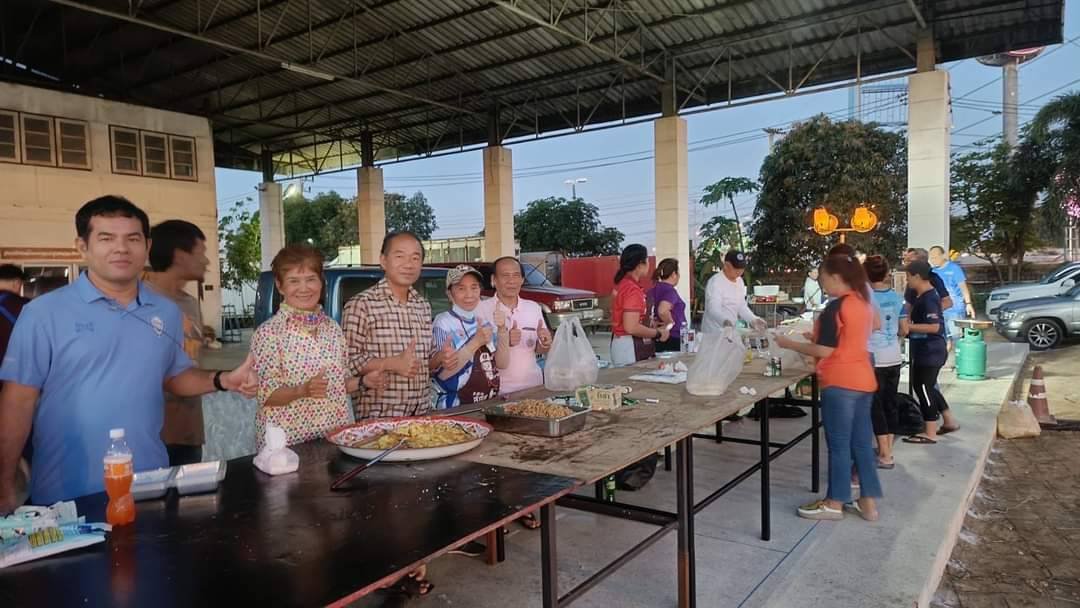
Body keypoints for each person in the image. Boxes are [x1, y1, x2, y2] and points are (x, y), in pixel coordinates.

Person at [0, 196, 257, 513]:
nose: (121, 248)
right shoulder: (43, 314)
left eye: (132, 239)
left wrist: (223, 380)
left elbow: (174, 376)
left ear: (147, 246)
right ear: (82, 247)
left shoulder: (165, 311)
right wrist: (4, 481)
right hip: (67, 493)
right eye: (106, 238)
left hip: (149, 483)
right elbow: (17, 402)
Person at [775, 254, 882, 521]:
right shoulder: (863, 302)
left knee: (839, 445)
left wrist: (790, 344)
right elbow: (863, 332)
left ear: (835, 277)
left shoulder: (836, 307)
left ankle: (834, 502)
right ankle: (868, 504)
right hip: (864, 379)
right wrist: (819, 337)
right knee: (861, 444)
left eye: (823, 279)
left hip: (840, 381)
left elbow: (825, 350)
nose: (822, 285)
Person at [252, 245, 387, 448]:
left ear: (321, 282)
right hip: (288, 448)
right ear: (280, 286)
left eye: (311, 279)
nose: (304, 288)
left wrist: (363, 381)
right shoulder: (268, 333)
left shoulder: (332, 328)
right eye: (294, 281)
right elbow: (266, 395)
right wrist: (301, 390)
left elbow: (339, 384)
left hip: (334, 438)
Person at [144, 220, 210, 466]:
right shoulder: (140, 302)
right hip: (151, 436)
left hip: (188, 433)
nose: (206, 261)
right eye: (201, 252)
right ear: (180, 256)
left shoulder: (190, 303)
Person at [432, 264, 509, 408]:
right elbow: (443, 375)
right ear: (449, 294)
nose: (469, 294)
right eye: (461, 288)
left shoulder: (482, 322)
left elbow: (502, 364)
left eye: (474, 287)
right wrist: (476, 342)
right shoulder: (443, 322)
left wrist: (502, 330)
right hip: (455, 409)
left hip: (485, 405)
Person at [901, 260, 960, 444]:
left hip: (930, 350)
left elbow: (934, 327)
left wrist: (909, 327)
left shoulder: (929, 298)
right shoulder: (922, 296)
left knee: (923, 388)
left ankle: (930, 431)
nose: (907, 281)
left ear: (918, 276)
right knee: (928, 386)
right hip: (926, 349)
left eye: (908, 277)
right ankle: (949, 421)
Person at [475, 256, 553, 396]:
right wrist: (504, 341)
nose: (511, 281)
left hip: (533, 386)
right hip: (497, 391)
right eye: (505, 275)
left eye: (516, 275)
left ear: (522, 280)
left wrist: (545, 343)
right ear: (494, 280)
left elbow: (538, 349)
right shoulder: (481, 310)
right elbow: (477, 354)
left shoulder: (533, 308)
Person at [864, 255, 904, 469]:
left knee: (876, 407)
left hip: (875, 358)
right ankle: (887, 449)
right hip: (894, 356)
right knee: (890, 404)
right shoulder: (897, 297)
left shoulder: (866, 298)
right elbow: (904, 329)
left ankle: (885, 455)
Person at [610, 245, 669, 366]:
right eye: (647, 260)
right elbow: (631, 327)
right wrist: (657, 333)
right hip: (629, 347)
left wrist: (649, 324)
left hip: (622, 344)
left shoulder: (623, 284)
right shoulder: (632, 289)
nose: (649, 263)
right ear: (639, 265)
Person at [701, 250, 767, 334]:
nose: (740, 272)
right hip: (714, 332)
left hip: (731, 331)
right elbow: (713, 309)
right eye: (736, 269)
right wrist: (725, 321)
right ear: (726, 265)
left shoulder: (740, 281)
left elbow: (741, 306)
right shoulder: (715, 282)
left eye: (742, 268)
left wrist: (753, 319)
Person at [929, 245, 975, 348]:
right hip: (940, 311)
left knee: (957, 339)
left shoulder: (954, 269)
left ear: (943, 255)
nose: (933, 260)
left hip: (955, 310)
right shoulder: (932, 272)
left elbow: (963, 287)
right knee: (944, 340)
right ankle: (942, 358)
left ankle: (961, 357)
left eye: (935, 257)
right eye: (931, 258)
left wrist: (968, 303)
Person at [648, 258, 686, 353]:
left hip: (658, 336)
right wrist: (670, 323)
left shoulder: (653, 290)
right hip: (672, 337)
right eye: (678, 273)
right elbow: (662, 310)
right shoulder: (670, 291)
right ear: (673, 274)